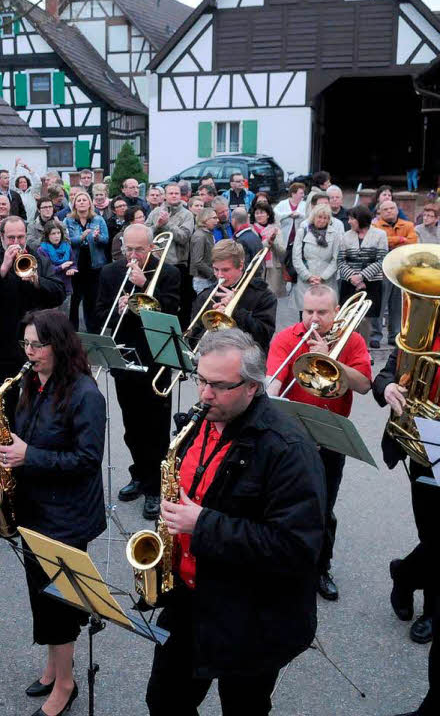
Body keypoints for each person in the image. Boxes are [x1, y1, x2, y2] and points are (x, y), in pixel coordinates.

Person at [145, 328, 325, 716]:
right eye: (201, 380)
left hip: (252, 617)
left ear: (252, 387)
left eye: (219, 386)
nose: (205, 394)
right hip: (190, 598)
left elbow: (295, 548)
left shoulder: (288, 449)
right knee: (164, 701)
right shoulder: (197, 425)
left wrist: (202, 523)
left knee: (243, 707)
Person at [0, 309, 105, 716]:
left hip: (67, 514)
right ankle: (54, 666)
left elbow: (87, 460)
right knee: (41, 596)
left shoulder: (85, 394)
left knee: (60, 602)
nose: (30, 352)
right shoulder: (29, 382)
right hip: (33, 505)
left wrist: (29, 455)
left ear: (59, 346)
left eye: (38, 345)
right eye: (25, 344)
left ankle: (66, 682)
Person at [266, 284, 371, 601]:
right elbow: (273, 384)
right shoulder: (288, 337)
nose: (313, 318)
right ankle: (283, 563)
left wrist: (333, 362)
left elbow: (365, 384)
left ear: (336, 312)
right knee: (281, 503)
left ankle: (320, 568)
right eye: (308, 311)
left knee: (323, 508)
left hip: (330, 439)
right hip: (289, 434)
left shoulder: (351, 339)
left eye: (321, 312)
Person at [95, 223, 180, 520]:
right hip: (125, 358)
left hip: (156, 359)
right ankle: (140, 475)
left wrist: (144, 287)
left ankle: (156, 487)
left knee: (155, 427)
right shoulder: (110, 273)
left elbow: (173, 311)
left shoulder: (168, 272)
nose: (132, 255)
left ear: (151, 247)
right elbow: (98, 314)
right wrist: (117, 309)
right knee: (131, 426)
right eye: (127, 249)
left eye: (138, 250)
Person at [376, 346, 440, 658]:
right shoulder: (428, 331)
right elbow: (387, 372)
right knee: (432, 535)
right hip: (423, 445)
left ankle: (410, 581)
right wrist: (387, 386)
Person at [0, 216, 65, 384]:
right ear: (2, 237)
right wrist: (2, 269)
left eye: (21, 237)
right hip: (2, 344)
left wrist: (38, 281)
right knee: (7, 401)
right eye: (11, 238)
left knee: (39, 400)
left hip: (37, 343)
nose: (16, 242)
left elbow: (59, 294)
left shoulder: (40, 260)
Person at [191, 240, 276, 353]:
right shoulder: (206, 295)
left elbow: (264, 337)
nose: (219, 275)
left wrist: (236, 311)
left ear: (240, 266)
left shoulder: (263, 295)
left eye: (225, 270)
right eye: (216, 269)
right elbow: (194, 338)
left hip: (246, 363)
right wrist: (212, 324)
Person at [147, 182, 195, 330]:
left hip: (177, 265)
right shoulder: (155, 212)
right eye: (171, 193)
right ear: (165, 196)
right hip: (157, 262)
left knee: (176, 302)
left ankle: (177, 331)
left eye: (177, 193)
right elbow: (146, 233)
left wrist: (167, 225)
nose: (174, 196)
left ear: (181, 196)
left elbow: (184, 237)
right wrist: (157, 225)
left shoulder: (187, 215)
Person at [338, 205, 388, 348]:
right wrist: (353, 278)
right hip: (349, 283)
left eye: (352, 218)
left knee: (365, 319)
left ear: (360, 219)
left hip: (372, 283)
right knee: (349, 318)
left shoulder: (380, 235)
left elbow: (381, 259)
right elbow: (341, 260)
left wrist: (362, 277)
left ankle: (364, 351)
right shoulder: (346, 236)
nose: (349, 221)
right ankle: (348, 350)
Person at [284, 201, 342, 323]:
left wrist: (323, 277)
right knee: (305, 316)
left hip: (327, 281)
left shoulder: (335, 234)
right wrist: (308, 276)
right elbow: (296, 257)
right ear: (313, 217)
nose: (322, 220)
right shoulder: (302, 232)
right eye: (319, 217)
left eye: (325, 218)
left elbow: (336, 259)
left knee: (325, 315)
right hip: (305, 281)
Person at [374, 198, 418, 346]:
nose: (389, 211)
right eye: (385, 209)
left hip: (401, 268)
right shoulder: (375, 227)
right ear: (379, 212)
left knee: (397, 304)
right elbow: (379, 241)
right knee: (380, 304)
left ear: (397, 210)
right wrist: (400, 239)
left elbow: (412, 242)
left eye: (392, 208)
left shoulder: (409, 225)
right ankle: (375, 336)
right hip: (382, 269)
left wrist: (391, 240)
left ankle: (394, 335)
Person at [64, 191, 108, 332]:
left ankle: (93, 332)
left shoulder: (98, 220)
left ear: (90, 203)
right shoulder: (68, 220)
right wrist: (81, 237)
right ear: (74, 204)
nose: (82, 202)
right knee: (74, 301)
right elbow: (66, 242)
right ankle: (72, 332)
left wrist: (97, 238)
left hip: (94, 266)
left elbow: (106, 239)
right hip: (75, 266)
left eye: (84, 200)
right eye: (79, 200)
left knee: (92, 301)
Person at [274, 182, 307, 287]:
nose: (303, 195)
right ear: (293, 193)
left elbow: (309, 216)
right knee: (283, 260)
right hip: (284, 239)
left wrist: (300, 215)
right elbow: (275, 214)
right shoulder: (283, 204)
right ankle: (282, 281)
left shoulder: (304, 205)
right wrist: (288, 214)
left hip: (298, 239)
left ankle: (294, 282)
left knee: (296, 260)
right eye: (301, 193)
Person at [39, 222, 75, 312]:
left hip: (66, 287)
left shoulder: (67, 246)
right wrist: (61, 267)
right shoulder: (42, 250)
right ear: (47, 235)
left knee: (64, 318)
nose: (56, 236)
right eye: (53, 233)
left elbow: (73, 263)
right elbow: (45, 271)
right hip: (51, 289)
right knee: (51, 319)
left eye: (58, 233)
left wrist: (72, 269)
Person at [252, 200, 284, 297]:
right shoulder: (251, 230)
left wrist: (273, 242)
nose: (259, 215)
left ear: (268, 215)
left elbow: (282, 251)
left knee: (272, 298)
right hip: (259, 268)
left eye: (262, 212)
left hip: (274, 269)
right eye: (257, 213)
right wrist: (267, 242)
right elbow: (256, 249)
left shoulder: (276, 229)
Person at [190, 209, 218, 297]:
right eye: (214, 218)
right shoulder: (200, 236)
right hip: (203, 280)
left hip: (207, 278)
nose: (217, 220)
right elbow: (197, 261)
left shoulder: (208, 234)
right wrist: (213, 274)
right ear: (205, 220)